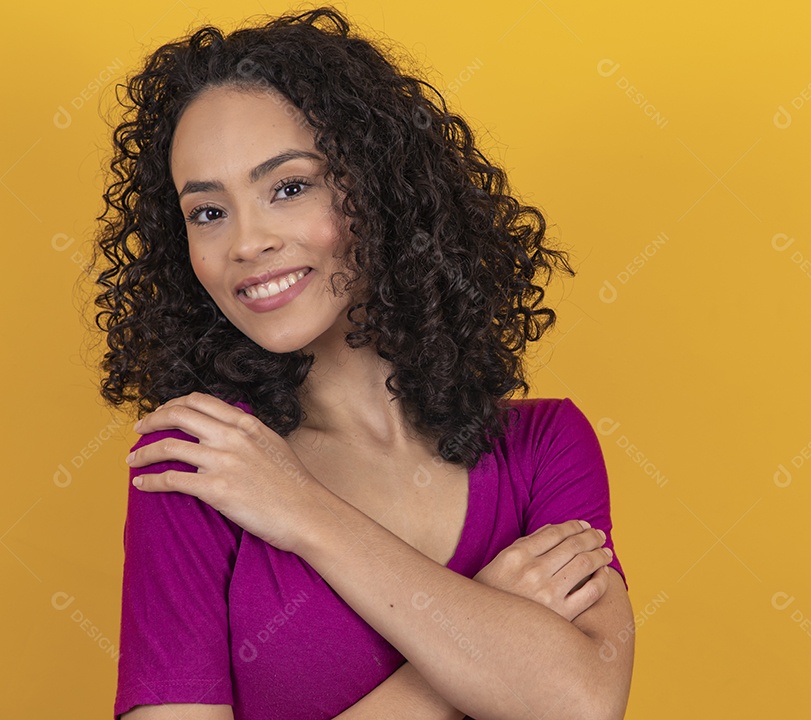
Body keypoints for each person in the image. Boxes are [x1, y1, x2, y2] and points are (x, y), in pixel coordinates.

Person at [88, 6, 634, 720]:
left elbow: (579, 705)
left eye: (288, 187)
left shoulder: (544, 449)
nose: (247, 243)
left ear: (378, 190)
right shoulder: (203, 465)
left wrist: (305, 511)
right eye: (208, 213)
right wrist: (484, 628)